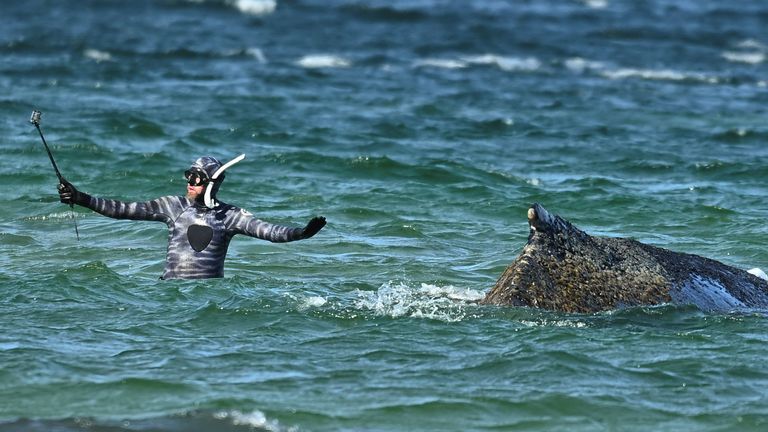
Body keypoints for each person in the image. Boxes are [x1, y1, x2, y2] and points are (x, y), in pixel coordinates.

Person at [57, 155, 326, 279]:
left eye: (197, 179)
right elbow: (123, 210)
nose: (190, 183)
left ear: (211, 183)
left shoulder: (230, 216)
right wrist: (81, 198)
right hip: (170, 292)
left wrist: (301, 233)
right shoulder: (173, 206)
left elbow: (269, 231)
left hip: (207, 295)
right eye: (189, 176)